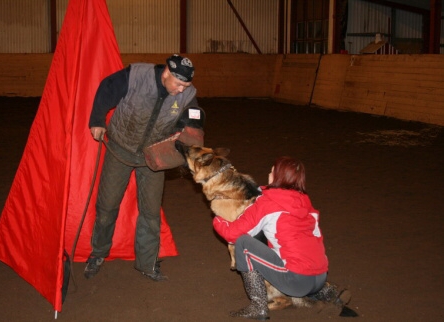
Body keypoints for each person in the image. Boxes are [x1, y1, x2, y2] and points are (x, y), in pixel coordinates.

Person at [85, 54, 205, 281]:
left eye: (186, 85)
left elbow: (193, 119)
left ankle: (147, 263)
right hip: (120, 148)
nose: (182, 90)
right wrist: (97, 119)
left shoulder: (187, 94)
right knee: (107, 205)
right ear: (166, 73)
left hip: (154, 155)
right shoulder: (137, 76)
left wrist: (190, 138)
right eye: (178, 84)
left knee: (150, 212)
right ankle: (98, 253)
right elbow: (106, 88)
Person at [213, 156, 350, 320]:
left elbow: (232, 234)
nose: (269, 174)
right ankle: (327, 293)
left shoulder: (268, 203)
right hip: (320, 277)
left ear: (278, 177)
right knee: (288, 249)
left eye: (272, 171)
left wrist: (219, 217)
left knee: (243, 243)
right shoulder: (306, 204)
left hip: (297, 280)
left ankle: (258, 307)